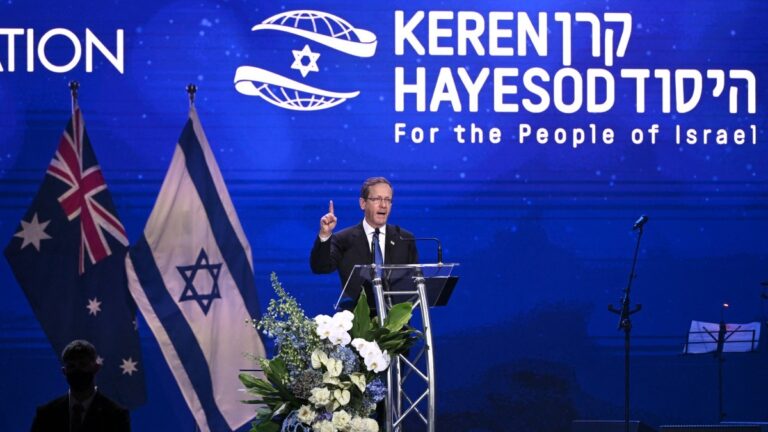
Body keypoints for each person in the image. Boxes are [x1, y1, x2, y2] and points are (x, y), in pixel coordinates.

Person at [310, 177, 419, 308]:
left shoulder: (404, 239)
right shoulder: (344, 239)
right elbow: (320, 267)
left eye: (387, 200)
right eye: (377, 199)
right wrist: (325, 234)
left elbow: (416, 283)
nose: (383, 205)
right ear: (363, 203)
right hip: (357, 322)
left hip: (396, 325)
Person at [30, 339, 130, 432]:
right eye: (71, 366)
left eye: (83, 364)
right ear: (64, 371)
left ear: (96, 368)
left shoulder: (115, 416)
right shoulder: (46, 415)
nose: (77, 370)